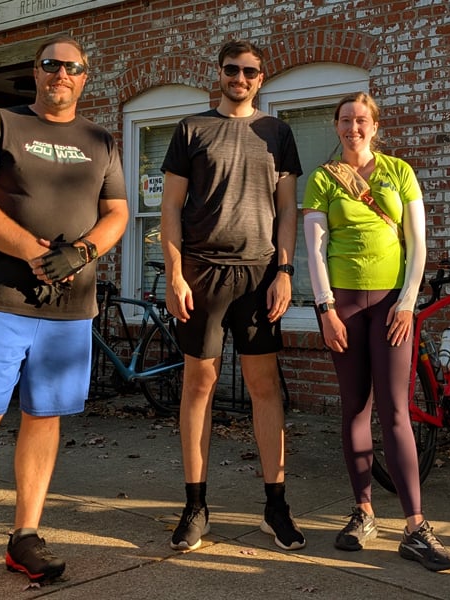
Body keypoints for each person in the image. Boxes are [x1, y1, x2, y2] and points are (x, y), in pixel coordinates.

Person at [0, 36, 128, 600]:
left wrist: (81, 253)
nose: (61, 73)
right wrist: (33, 252)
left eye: (72, 67)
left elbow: (118, 212)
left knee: (44, 417)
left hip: (69, 310)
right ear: (36, 73)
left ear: (85, 78)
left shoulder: (101, 141)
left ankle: (24, 537)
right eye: (51, 65)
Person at [301, 92, 450, 572]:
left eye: (362, 120)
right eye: (346, 120)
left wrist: (409, 303)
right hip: (344, 306)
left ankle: (414, 527)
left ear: (375, 126)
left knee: (395, 411)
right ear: (336, 127)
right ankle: (363, 511)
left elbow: (418, 244)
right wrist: (324, 308)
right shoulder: (323, 179)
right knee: (355, 407)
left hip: (392, 304)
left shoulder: (399, 172)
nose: (354, 127)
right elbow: (314, 248)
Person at [160, 40, 304, 553]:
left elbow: (287, 209)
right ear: (218, 73)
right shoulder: (190, 129)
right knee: (199, 384)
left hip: (261, 274)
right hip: (202, 273)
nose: (239, 78)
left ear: (261, 78)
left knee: (265, 387)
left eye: (249, 71)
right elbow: (171, 210)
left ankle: (275, 507)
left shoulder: (278, 133)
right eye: (231, 69)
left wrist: (286, 271)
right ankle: (195, 506)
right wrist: (175, 275)